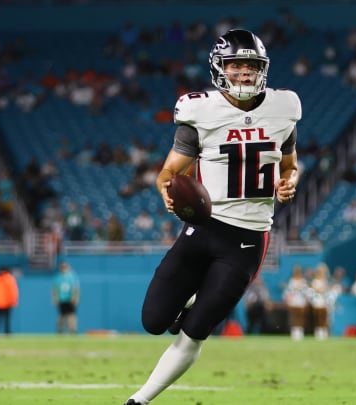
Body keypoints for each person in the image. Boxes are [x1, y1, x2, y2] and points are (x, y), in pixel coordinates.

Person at [124, 29, 300, 405]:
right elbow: (168, 173)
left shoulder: (284, 108)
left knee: (196, 330)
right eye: (236, 65)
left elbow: (290, 166)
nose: (244, 73)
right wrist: (169, 192)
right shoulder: (199, 109)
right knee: (153, 321)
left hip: (249, 238)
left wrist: (288, 182)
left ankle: (139, 400)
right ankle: (189, 300)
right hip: (204, 227)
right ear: (220, 68)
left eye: (251, 66)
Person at [0, 266, 19, 334]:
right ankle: (7, 332)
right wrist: (14, 301)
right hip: (7, 302)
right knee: (6, 319)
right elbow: (12, 291)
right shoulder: (9, 278)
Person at [52, 261, 80, 334]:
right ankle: (60, 330)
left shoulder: (72, 276)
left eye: (65, 267)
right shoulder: (58, 277)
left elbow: (76, 288)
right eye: (62, 267)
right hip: (62, 299)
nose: (63, 268)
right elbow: (54, 289)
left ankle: (73, 330)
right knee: (61, 315)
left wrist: (75, 298)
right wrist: (55, 298)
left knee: (71, 315)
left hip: (70, 299)